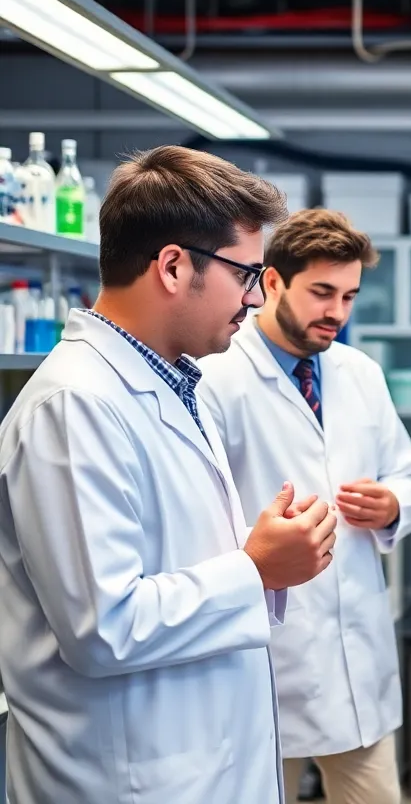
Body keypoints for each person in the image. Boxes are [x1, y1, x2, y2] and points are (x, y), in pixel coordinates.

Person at [0, 145, 340, 804]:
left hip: (198, 763)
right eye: (246, 274)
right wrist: (257, 569)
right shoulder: (74, 405)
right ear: (175, 267)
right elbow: (104, 628)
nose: (255, 298)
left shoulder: (177, 382)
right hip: (127, 779)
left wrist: (264, 555)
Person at [197, 208, 411, 804]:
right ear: (272, 282)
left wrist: (392, 505)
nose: (337, 312)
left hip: (358, 658)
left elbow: (406, 473)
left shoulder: (360, 372)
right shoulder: (216, 375)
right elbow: (197, 508)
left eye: (349, 296)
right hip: (269, 649)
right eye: (322, 292)